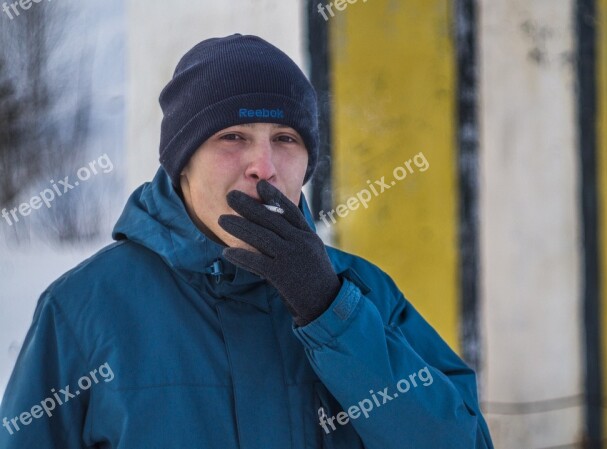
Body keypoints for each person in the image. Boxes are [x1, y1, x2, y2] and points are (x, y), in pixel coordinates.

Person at [0, 34, 494, 448]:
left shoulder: (360, 293)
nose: (264, 165)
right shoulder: (83, 307)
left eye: (285, 138)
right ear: (182, 161)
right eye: (232, 136)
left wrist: (332, 315)